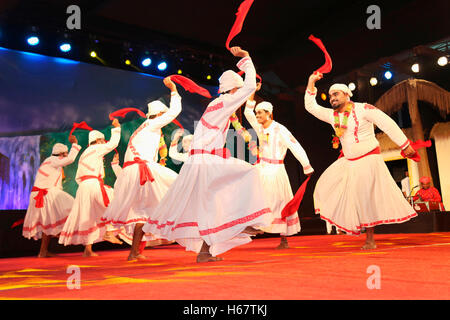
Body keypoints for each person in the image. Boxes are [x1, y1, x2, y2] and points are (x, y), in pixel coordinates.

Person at [142, 46, 272, 262]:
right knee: (249, 172)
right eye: (237, 90)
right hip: (205, 160)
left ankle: (205, 251)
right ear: (233, 89)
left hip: (200, 160)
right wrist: (247, 59)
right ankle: (246, 220)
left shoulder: (216, 104)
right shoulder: (224, 101)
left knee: (211, 205)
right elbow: (249, 86)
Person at [305, 71, 418, 249]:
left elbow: (386, 123)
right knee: (323, 187)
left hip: (368, 159)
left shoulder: (364, 108)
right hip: (348, 162)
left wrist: (405, 145)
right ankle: (349, 226)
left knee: (364, 197)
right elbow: (311, 107)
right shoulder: (332, 116)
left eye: (336, 94)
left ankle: (370, 239)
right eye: (331, 96)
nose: (332, 98)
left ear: (347, 95)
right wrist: (311, 81)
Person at [102, 77, 181, 261]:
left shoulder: (144, 127)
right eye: (163, 116)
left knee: (141, 213)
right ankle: (199, 232)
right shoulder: (153, 125)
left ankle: (134, 252)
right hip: (142, 170)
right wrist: (174, 90)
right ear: (159, 115)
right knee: (180, 186)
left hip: (133, 172)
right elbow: (175, 111)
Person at [243, 84, 314, 248]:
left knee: (279, 202)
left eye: (260, 113)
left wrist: (306, 165)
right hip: (262, 168)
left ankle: (283, 239)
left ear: (269, 114)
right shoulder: (259, 128)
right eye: (257, 113)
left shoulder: (279, 129)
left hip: (276, 170)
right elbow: (247, 112)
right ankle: (253, 225)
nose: (257, 115)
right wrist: (253, 91)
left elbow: (295, 146)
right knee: (255, 196)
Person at [58, 119, 121, 256]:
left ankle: (88, 250)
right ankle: (109, 232)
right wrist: (116, 128)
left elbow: (78, 177)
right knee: (113, 201)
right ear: (98, 141)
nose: (104, 143)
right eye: (102, 141)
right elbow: (113, 143)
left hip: (83, 188)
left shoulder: (85, 153)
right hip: (92, 184)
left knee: (89, 216)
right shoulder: (97, 148)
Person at [22, 135, 81, 257]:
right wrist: (74, 144)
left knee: (48, 222)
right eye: (65, 154)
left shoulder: (50, 162)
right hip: (45, 193)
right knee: (73, 206)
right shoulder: (53, 160)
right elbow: (70, 159)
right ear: (61, 154)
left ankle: (43, 251)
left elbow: (57, 176)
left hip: (42, 193)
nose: (65, 156)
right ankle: (64, 233)